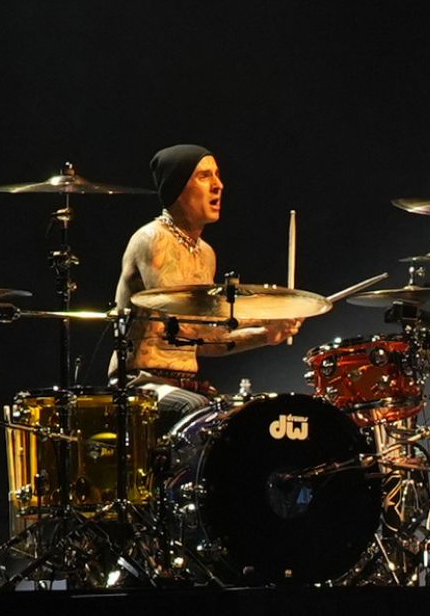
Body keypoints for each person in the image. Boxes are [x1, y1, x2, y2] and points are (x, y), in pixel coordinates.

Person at [112, 144, 300, 422]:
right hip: (139, 386)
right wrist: (264, 316)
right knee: (199, 412)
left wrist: (267, 334)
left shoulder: (205, 252)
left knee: (247, 418)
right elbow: (188, 323)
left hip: (184, 386)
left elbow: (205, 341)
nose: (218, 185)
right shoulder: (153, 239)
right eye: (204, 176)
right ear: (176, 187)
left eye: (217, 175)